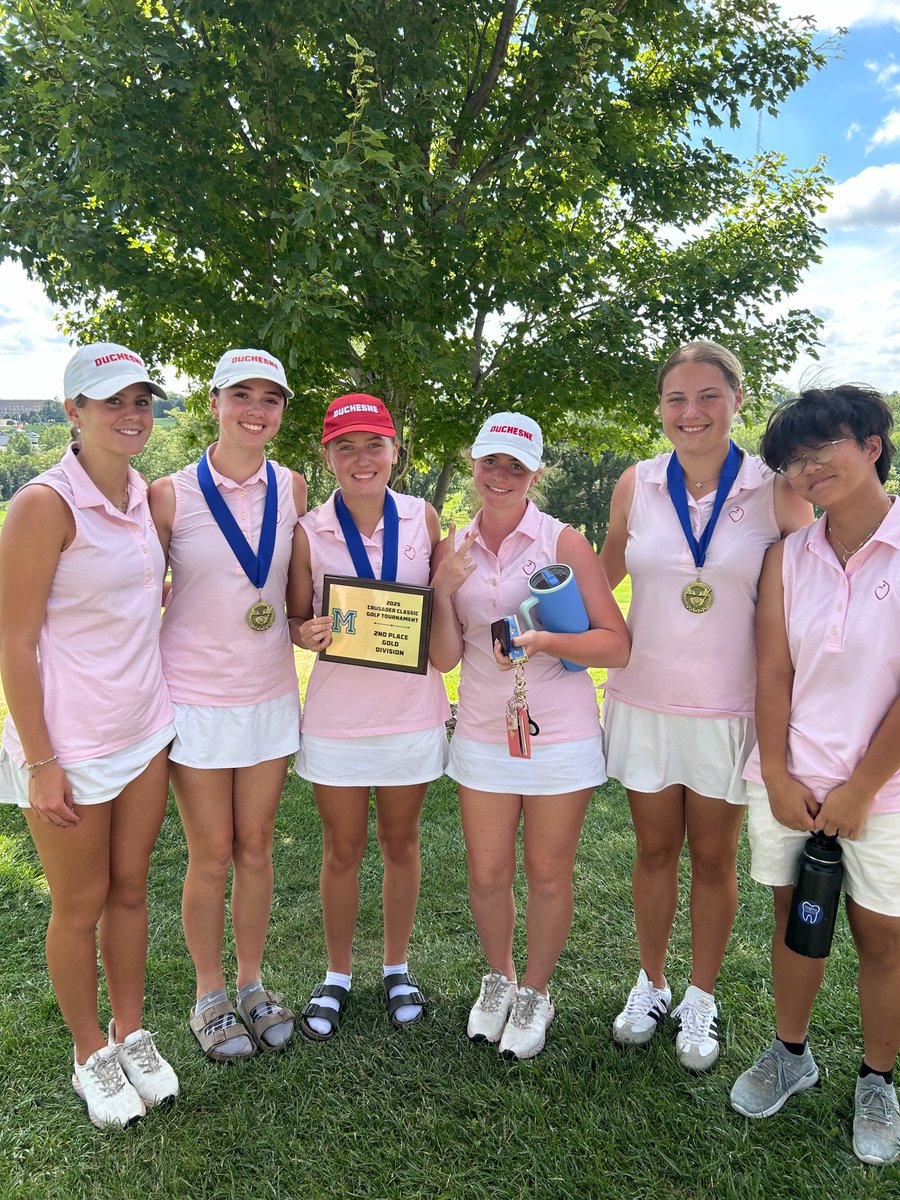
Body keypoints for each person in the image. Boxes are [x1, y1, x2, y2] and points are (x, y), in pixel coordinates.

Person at [599, 341, 813, 1072]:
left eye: (708, 397)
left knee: (713, 858)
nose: (691, 413)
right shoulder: (636, 482)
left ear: (738, 400)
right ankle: (651, 982)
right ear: (660, 409)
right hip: (645, 698)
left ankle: (700, 994)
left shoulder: (774, 488)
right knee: (654, 850)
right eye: (676, 400)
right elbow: (599, 581)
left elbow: (817, 586)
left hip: (730, 707)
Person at [0, 343, 179, 1129]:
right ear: (73, 412)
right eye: (112, 401)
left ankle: (131, 1032)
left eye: (141, 400)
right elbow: (12, 641)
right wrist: (41, 762)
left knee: (131, 891)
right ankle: (88, 1055)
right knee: (80, 904)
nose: (131, 414)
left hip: (145, 727)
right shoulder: (44, 504)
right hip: (69, 745)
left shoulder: (143, 493)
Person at [731, 385, 900, 1166]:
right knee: (798, 926)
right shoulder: (786, 557)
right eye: (793, 462)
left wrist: (864, 784)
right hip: (793, 782)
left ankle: (877, 1079)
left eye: (822, 448)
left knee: (883, 942)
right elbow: (772, 671)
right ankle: (790, 1054)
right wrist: (774, 769)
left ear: (871, 445)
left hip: (887, 792)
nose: (808, 470)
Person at [429, 412, 630, 1060]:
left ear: (536, 473)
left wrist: (544, 640)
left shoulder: (562, 542)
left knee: (546, 872)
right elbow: (443, 658)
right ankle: (498, 978)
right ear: (473, 464)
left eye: (516, 466)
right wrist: (441, 589)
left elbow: (615, 644)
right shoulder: (452, 546)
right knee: (487, 873)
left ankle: (535, 991)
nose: (501, 476)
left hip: (560, 735)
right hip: (485, 734)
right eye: (491, 462)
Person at [149, 348, 306, 1061]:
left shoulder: (295, 488)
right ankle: (209, 991)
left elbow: (299, 599)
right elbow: (134, 596)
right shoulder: (170, 494)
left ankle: (251, 980)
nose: (255, 409)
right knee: (210, 854)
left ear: (281, 412)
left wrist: (318, 626)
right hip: (198, 697)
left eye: (269, 398)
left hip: (270, 691)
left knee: (257, 846)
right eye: (240, 394)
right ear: (212, 402)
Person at [288, 394, 449, 1040]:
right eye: (346, 446)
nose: (362, 458)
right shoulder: (308, 530)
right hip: (337, 719)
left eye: (374, 444)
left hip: (411, 712)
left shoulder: (424, 519)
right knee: (342, 849)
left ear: (395, 452)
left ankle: (397, 967)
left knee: (401, 843)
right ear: (328, 456)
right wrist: (308, 633)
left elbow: (443, 606)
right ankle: (336, 976)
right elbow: (298, 618)